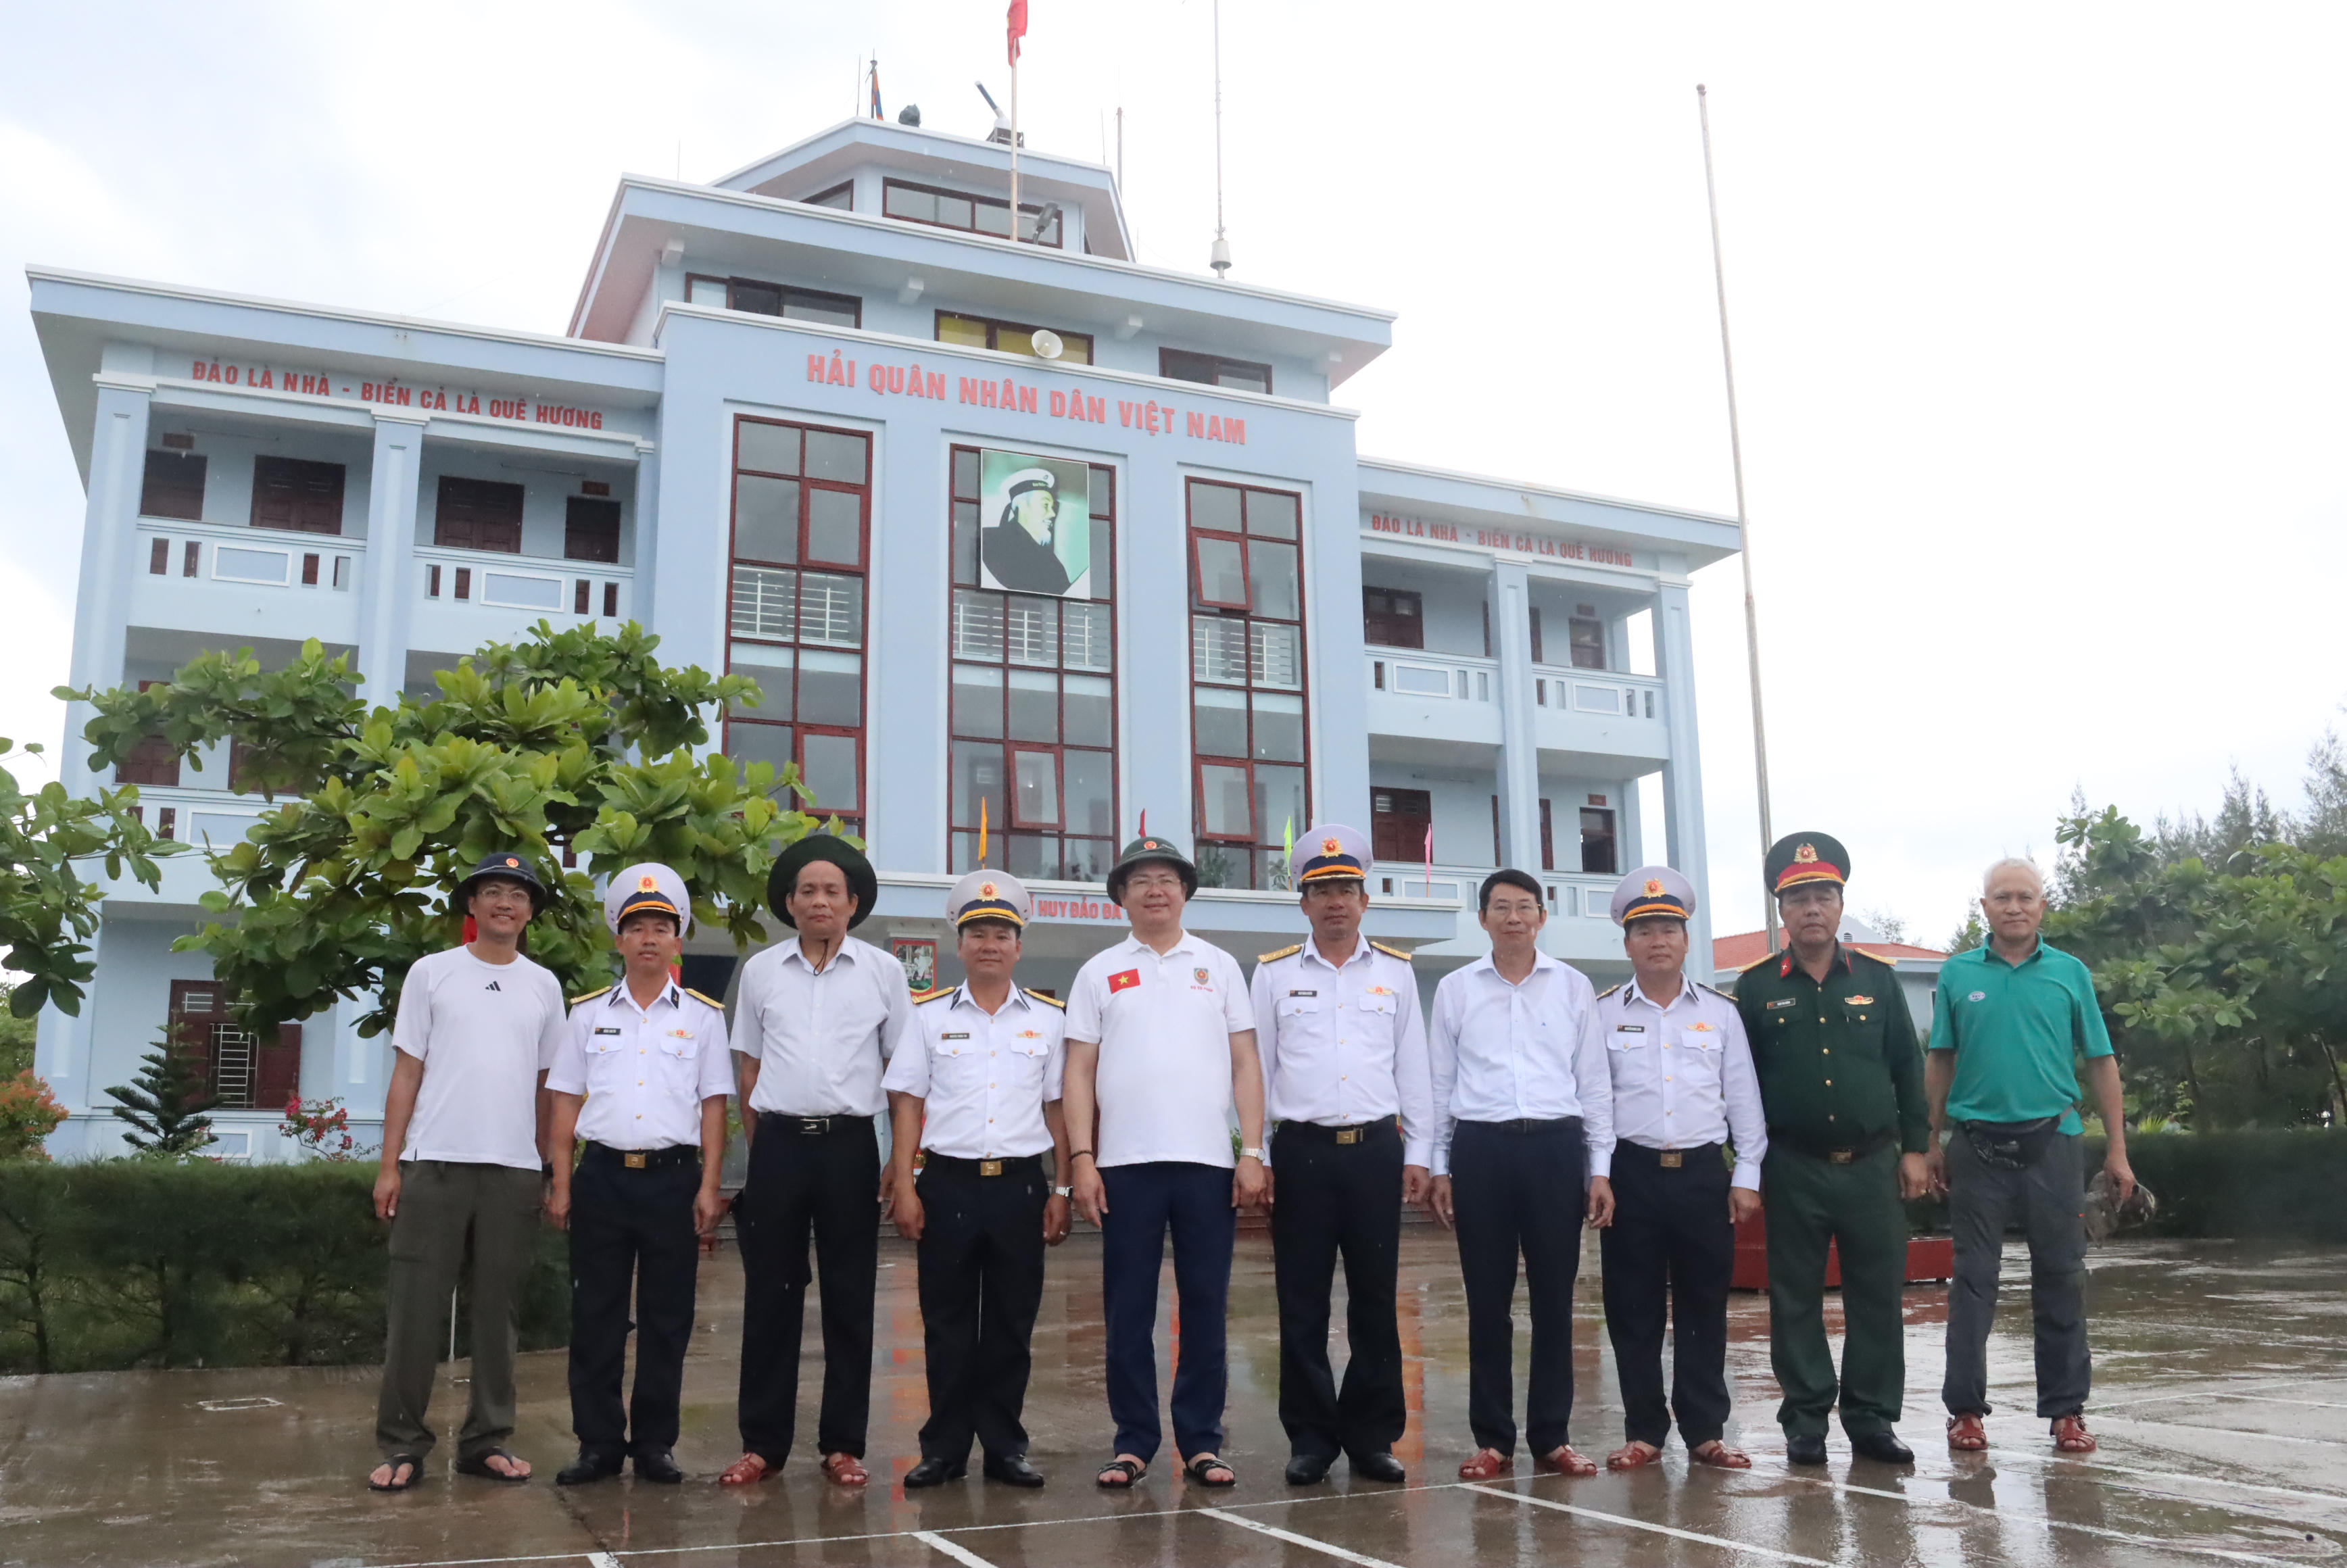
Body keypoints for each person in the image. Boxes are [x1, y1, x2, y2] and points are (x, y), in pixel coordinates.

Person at [1063, 835, 1267, 1491]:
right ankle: (1132, 1443)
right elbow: (1078, 1071)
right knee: (1127, 1311)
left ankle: (1201, 1442)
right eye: (1141, 880)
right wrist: (1082, 1158)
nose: (1156, 890)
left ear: (1185, 892)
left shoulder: (1218, 966)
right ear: (1121, 897)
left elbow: (1245, 1063)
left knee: (1205, 1305)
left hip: (1208, 1165)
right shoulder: (1098, 971)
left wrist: (1252, 1150)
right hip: (1124, 1166)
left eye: (1168, 879)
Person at [367, 852, 568, 1492]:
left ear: (530, 912)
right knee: (415, 1311)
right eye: (493, 892)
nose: (505, 903)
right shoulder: (432, 974)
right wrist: (390, 1165)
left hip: (512, 1171)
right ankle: (402, 1444)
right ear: (473, 905)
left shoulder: (544, 986)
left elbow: (549, 1085)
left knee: (496, 1313)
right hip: (435, 1164)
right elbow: (407, 1072)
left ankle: (487, 1440)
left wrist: (546, 1167)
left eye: (518, 894)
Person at [1731, 833, 1930, 1467]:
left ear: (1840, 906)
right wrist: (1747, 1165)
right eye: (1798, 899)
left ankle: (1871, 1419)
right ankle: (1806, 1420)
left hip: (1872, 1164)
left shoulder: (1877, 979)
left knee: (1878, 1296)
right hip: (1793, 1165)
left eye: (1823, 896)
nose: (1812, 909)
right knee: (1795, 1298)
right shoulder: (1756, 987)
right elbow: (1739, 1083)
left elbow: (1908, 1067)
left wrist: (1917, 1150)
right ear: (1781, 912)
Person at [721, 835, 911, 1488]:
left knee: (849, 1297)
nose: (820, 901)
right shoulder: (762, 971)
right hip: (778, 1146)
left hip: (849, 1147)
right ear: (790, 903)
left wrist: (899, 1163)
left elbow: (901, 1077)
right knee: (769, 1298)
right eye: (807, 891)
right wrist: (763, 1149)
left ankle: (843, 1445)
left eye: (833, 891)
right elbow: (749, 1069)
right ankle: (762, 1445)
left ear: (853, 903)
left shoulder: (883, 973)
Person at [1929, 856, 2136, 1456]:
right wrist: (1930, 1140)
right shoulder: (1958, 974)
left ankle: (2067, 1412)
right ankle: (1966, 1411)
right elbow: (1940, 1058)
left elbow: (2101, 1061)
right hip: (1977, 1148)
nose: (2014, 907)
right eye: (2002, 897)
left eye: (2025, 897)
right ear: (1985, 907)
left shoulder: (2070, 973)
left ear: (2043, 906)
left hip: (2054, 1144)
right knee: (1973, 1281)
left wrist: (2118, 1151)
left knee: (2062, 1278)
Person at [1249, 824, 1430, 1486]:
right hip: (1301, 1152)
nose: (1334, 902)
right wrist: (1254, 1152)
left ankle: (1372, 1435)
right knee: (1302, 1302)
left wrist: (1420, 1151)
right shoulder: (1272, 973)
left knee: (1375, 1300)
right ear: (1303, 903)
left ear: (1364, 900)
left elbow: (1413, 1067)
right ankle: (1310, 1438)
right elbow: (1256, 1071)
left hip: (1375, 1150)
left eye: (1346, 890)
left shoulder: (1396, 972)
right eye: (1321, 890)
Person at [885, 871, 1075, 1489]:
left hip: (1020, 1187)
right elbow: (908, 1102)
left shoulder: (1048, 1019)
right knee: (946, 1325)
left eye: (1001, 935)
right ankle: (943, 1449)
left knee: (1011, 1326)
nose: (989, 945)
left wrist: (1063, 1188)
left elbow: (1058, 1109)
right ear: (960, 945)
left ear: (1019, 947)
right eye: (977, 934)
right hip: (948, 1186)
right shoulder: (928, 1016)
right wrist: (906, 1184)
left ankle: (1004, 1447)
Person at [543, 864, 731, 1487]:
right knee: (595, 1315)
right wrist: (562, 1182)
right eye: (637, 928)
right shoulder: (587, 1014)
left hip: (672, 1181)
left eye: (661, 928)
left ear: (677, 940)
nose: (649, 938)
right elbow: (565, 1101)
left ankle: (655, 1443)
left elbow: (713, 1106)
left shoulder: (702, 1017)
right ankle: (598, 1443)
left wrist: (710, 1185)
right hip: (601, 1178)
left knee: (666, 1318)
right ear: (619, 939)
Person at [1427, 868, 1615, 1482]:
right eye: (1502, 907)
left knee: (1555, 1299)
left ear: (1542, 917)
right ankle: (1493, 1439)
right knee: (1487, 1301)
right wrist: (1440, 1165)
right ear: (1482, 918)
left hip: (1555, 1149)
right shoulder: (1456, 989)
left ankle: (1552, 1437)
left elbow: (1594, 1083)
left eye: (1525, 907)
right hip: (1480, 1149)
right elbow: (1440, 1084)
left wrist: (1599, 1169)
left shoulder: (1573, 987)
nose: (1514, 917)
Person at [1593, 866, 1767, 1472]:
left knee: (1704, 1304)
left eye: (1669, 929)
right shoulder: (1603, 1013)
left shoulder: (1719, 1013)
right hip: (1631, 1174)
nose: (1658, 941)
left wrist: (1747, 1175)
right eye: (1644, 931)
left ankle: (1705, 1430)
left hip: (1702, 1175)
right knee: (1631, 1307)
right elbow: (1595, 1100)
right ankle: (1643, 1430)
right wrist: (1598, 1174)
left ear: (1687, 940)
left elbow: (1742, 1098)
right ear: (1627, 944)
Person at [981, 466, 1073, 595]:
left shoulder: (1054, 564)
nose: (1052, 513)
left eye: (1052, 507)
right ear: (1023, 505)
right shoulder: (989, 541)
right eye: (1045, 505)